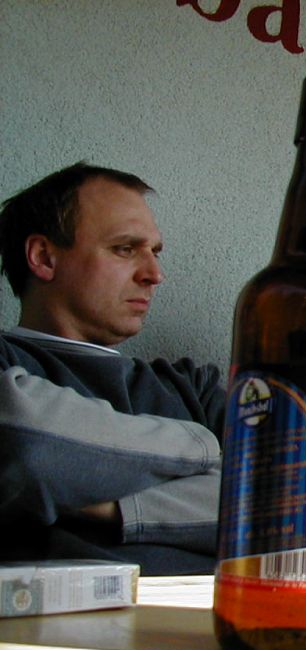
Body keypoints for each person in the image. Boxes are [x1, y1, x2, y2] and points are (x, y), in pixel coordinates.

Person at [0, 162, 226, 574]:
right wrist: (205, 448)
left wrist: (107, 506)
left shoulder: (192, 385)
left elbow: (293, 497)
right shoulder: (7, 360)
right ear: (44, 257)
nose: (154, 274)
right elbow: (28, 447)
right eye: (125, 249)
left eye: (155, 252)